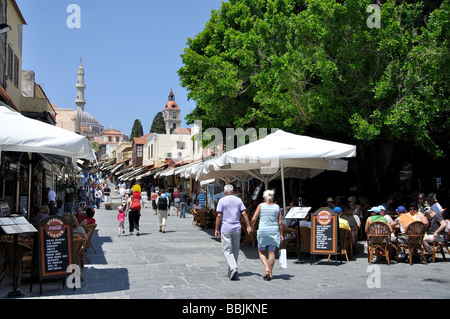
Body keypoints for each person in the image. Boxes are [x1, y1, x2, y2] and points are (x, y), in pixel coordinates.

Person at [215, 184, 251, 281]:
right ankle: (231, 270)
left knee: (227, 250)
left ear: (224, 192)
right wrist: (248, 225)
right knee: (235, 250)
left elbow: (219, 216)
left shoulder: (221, 201)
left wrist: (216, 229)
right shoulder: (238, 200)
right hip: (237, 228)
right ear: (233, 191)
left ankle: (233, 268)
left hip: (226, 227)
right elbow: (244, 213)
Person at [250, 190, 283, 281]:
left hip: (263, 230)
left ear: (264, 197)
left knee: (261, 251)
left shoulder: (260, 206)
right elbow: (280, 223)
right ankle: (271, 273)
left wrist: (252, 228)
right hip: (274, 231)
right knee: (272, 252)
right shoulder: (277, 207)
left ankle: (266, 269)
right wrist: (281, 234)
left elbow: (254, 218)